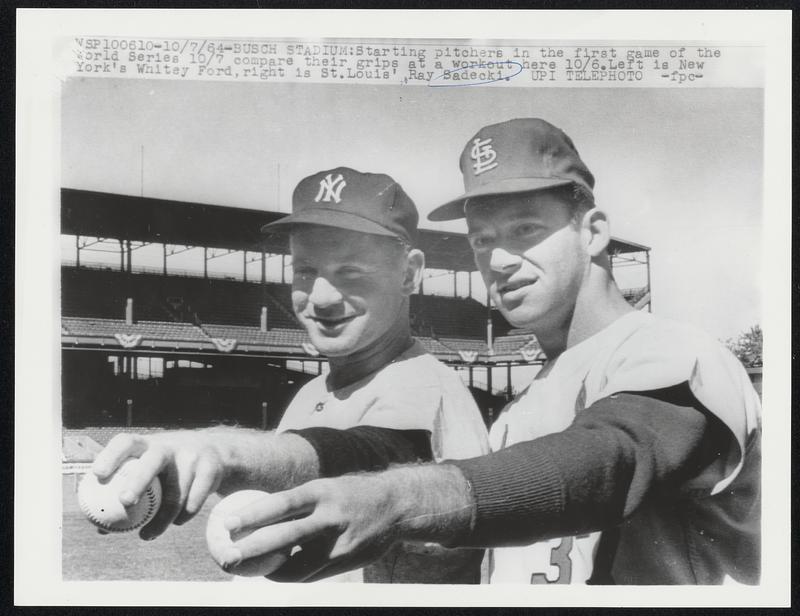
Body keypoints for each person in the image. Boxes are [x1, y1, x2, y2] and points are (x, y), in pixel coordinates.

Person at [220, 119, 762, 585]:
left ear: (593, 231)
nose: (498, 259)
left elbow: (613, 459)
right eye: (482, 239)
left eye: (525, 229)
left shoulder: (671, 349)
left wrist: (398, 500)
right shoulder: (518, 413)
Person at [90, 167, 489, 583]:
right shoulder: (312, 393)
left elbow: (373, 454)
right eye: (304, 270)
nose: (321, 297)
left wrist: (224, 454)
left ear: (409, 273)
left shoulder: (423, 384)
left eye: (351, 272)